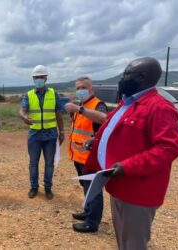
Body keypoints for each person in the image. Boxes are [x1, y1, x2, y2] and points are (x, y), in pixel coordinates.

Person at [84, 57, 178, 249]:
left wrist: (127, 166)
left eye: (126, 74)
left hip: (138, 192)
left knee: (134, 244)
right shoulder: (127, 104)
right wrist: (95, 142)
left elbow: (168, 148)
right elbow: (113, 130)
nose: (122, 78)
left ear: (142, 77)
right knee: (122, 240)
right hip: (118, 185)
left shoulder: (159, 107)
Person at [64, 76, 108, 233]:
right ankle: (88, 212)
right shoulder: (81, 105)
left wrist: (79, 109)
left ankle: (92, 222)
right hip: (79, 156)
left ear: (92, 89)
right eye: (77, 88)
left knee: (93, 190)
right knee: (86, 187)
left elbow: (104, 118)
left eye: (83, 87)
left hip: (91, 157)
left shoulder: (97, 105)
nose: (80, 90)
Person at [19, 65, 64, 200]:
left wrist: (61, 132)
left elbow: (58, 114)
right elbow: (22, 110)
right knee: (33, 162)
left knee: (49, 163)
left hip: (50, 135)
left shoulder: (53, 93)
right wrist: (24, 117)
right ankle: (34, 187)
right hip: (35, 135)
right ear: (33, 79)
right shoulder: (29, 95)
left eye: (41, 77)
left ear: (46, 78)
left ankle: (48, 188)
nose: (39, 79)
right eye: (36, 77)